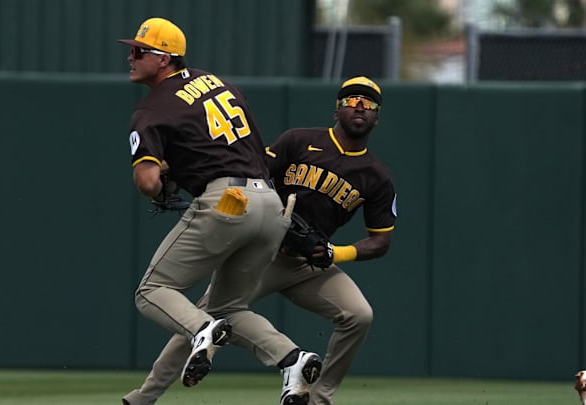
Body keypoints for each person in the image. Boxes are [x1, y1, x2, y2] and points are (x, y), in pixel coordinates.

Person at [122, 76, 397, 405]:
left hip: (310, 264)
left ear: (377, 117)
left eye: (368, 104)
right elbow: (254, 172)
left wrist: (335, 252)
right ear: (337, 109)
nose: (359, 108)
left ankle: (319, 397)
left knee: (359, 315)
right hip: (264, 252)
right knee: (204, 318)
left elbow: (380, 242)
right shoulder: (299, 141)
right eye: (351, 101)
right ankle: (144, 397)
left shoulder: (376, 176)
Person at [118, 17, 323, 404]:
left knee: (152, 290)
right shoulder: (218, 83)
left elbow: (147, 182)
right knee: (229, 307)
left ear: (164, 59)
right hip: (271, 204)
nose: (130, 56)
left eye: (139, 50)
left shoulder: (151, 109)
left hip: (228, 202)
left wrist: (160, 183)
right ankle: (292, 359)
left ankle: (202, 330)